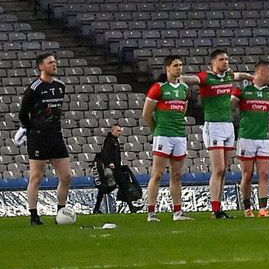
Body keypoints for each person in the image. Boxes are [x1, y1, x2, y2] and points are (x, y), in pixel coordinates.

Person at [180, 49, 254, 219]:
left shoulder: (228, 76)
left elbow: (239, 75)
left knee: (224, 170)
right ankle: (215, 208)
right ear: (213, 62)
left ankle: (218, 208)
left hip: (228, 125)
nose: (225, 62)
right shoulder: (206, 77)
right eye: (221, 59)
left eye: (227, 59)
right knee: (218, 168)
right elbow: (189, 79)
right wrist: (181, 82)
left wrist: (251, 77)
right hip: (213, 125)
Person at [16, 52, 70, 226]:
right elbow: (23, 113)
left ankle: (61, 212)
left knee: (66, 176)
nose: (54, 64)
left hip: (56, 135)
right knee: (36, 177)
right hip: (38, 137)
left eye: (55, 62)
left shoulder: (61, 86)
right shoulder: (34, 88)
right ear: (41, 66)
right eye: (50, 62)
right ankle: (33, 215)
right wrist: (31, 129)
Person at [143, 55, 193, 222]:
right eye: (175, 65)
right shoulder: (159, 88)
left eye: (180, 65)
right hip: (163, 134)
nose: (179, 68)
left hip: (179, 135)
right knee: (157, 174)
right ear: (167, 68)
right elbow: (146, 113)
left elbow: (183, 109)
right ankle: (151, 212)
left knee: (177, 175)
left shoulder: (184, 88)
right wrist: (156, 130)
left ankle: (177, 211)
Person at [232, 61, 269, 218]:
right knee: (247, 175)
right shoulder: (243, 90)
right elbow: (230, 106)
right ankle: (247, 207)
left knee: (264, 174)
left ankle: (263, 208)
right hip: (247, 137)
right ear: (261, 72)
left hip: (263, 138)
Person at [93, 124, 142, 214]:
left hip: (116, 168)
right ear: (113, 131)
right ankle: (131, 207)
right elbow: (105, 153)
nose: (120, 132)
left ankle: (131, 207)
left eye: (120, 130)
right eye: (118, 131)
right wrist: (109, 163)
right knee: (109, 188)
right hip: (113, 168)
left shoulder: (114, 140)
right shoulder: (109, 140)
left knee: (123, 186)